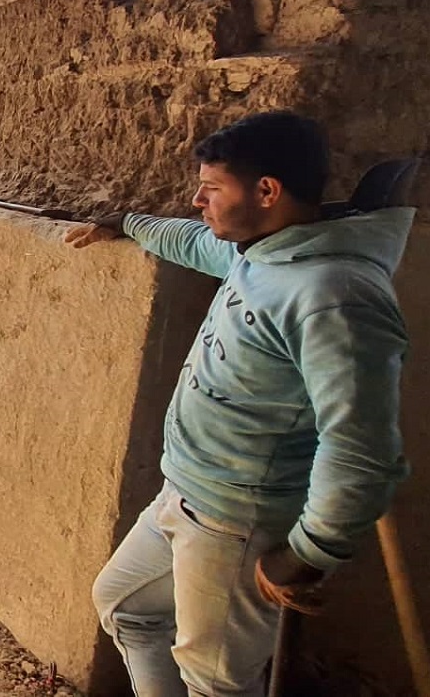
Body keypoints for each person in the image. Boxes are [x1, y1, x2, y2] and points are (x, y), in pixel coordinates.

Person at [67, 112, 411, 696]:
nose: (198, 199)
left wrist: (308, 553)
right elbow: (194, 240)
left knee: (215, 682)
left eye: (212, 188)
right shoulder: (264, 252)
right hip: (187, 495)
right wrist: (126, 222)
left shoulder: (334, 294)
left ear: (267, 191)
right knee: (127, 607)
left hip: (239, 519)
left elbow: (361, 446)